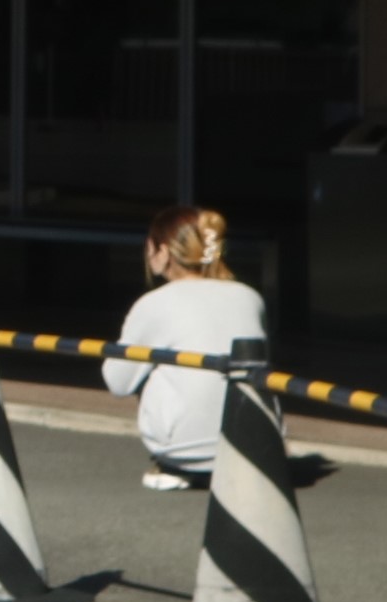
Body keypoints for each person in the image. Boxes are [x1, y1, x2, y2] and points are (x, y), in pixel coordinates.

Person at [102, 205, 269, 489]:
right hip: (258, 448)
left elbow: (118, 382)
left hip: (186, 451)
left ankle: (175, 460)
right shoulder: (250, 297)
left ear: (164, 252)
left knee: (146, 364)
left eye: (150, 247)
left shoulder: (154, 303)